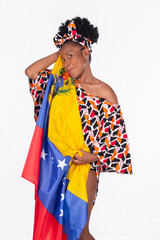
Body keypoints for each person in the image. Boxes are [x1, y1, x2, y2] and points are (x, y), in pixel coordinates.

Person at [25, 16, 133, 240]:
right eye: (63, 59)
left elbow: (117, 143)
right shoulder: (60, 86)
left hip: (85, 169)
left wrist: (90, 158)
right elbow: (32, 73)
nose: (66, 63)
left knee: (80, 231)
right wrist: (61, 51)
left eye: (71, 56)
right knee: (58, 231)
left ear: (86, 53)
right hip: (56, 166)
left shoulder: (105, 93)